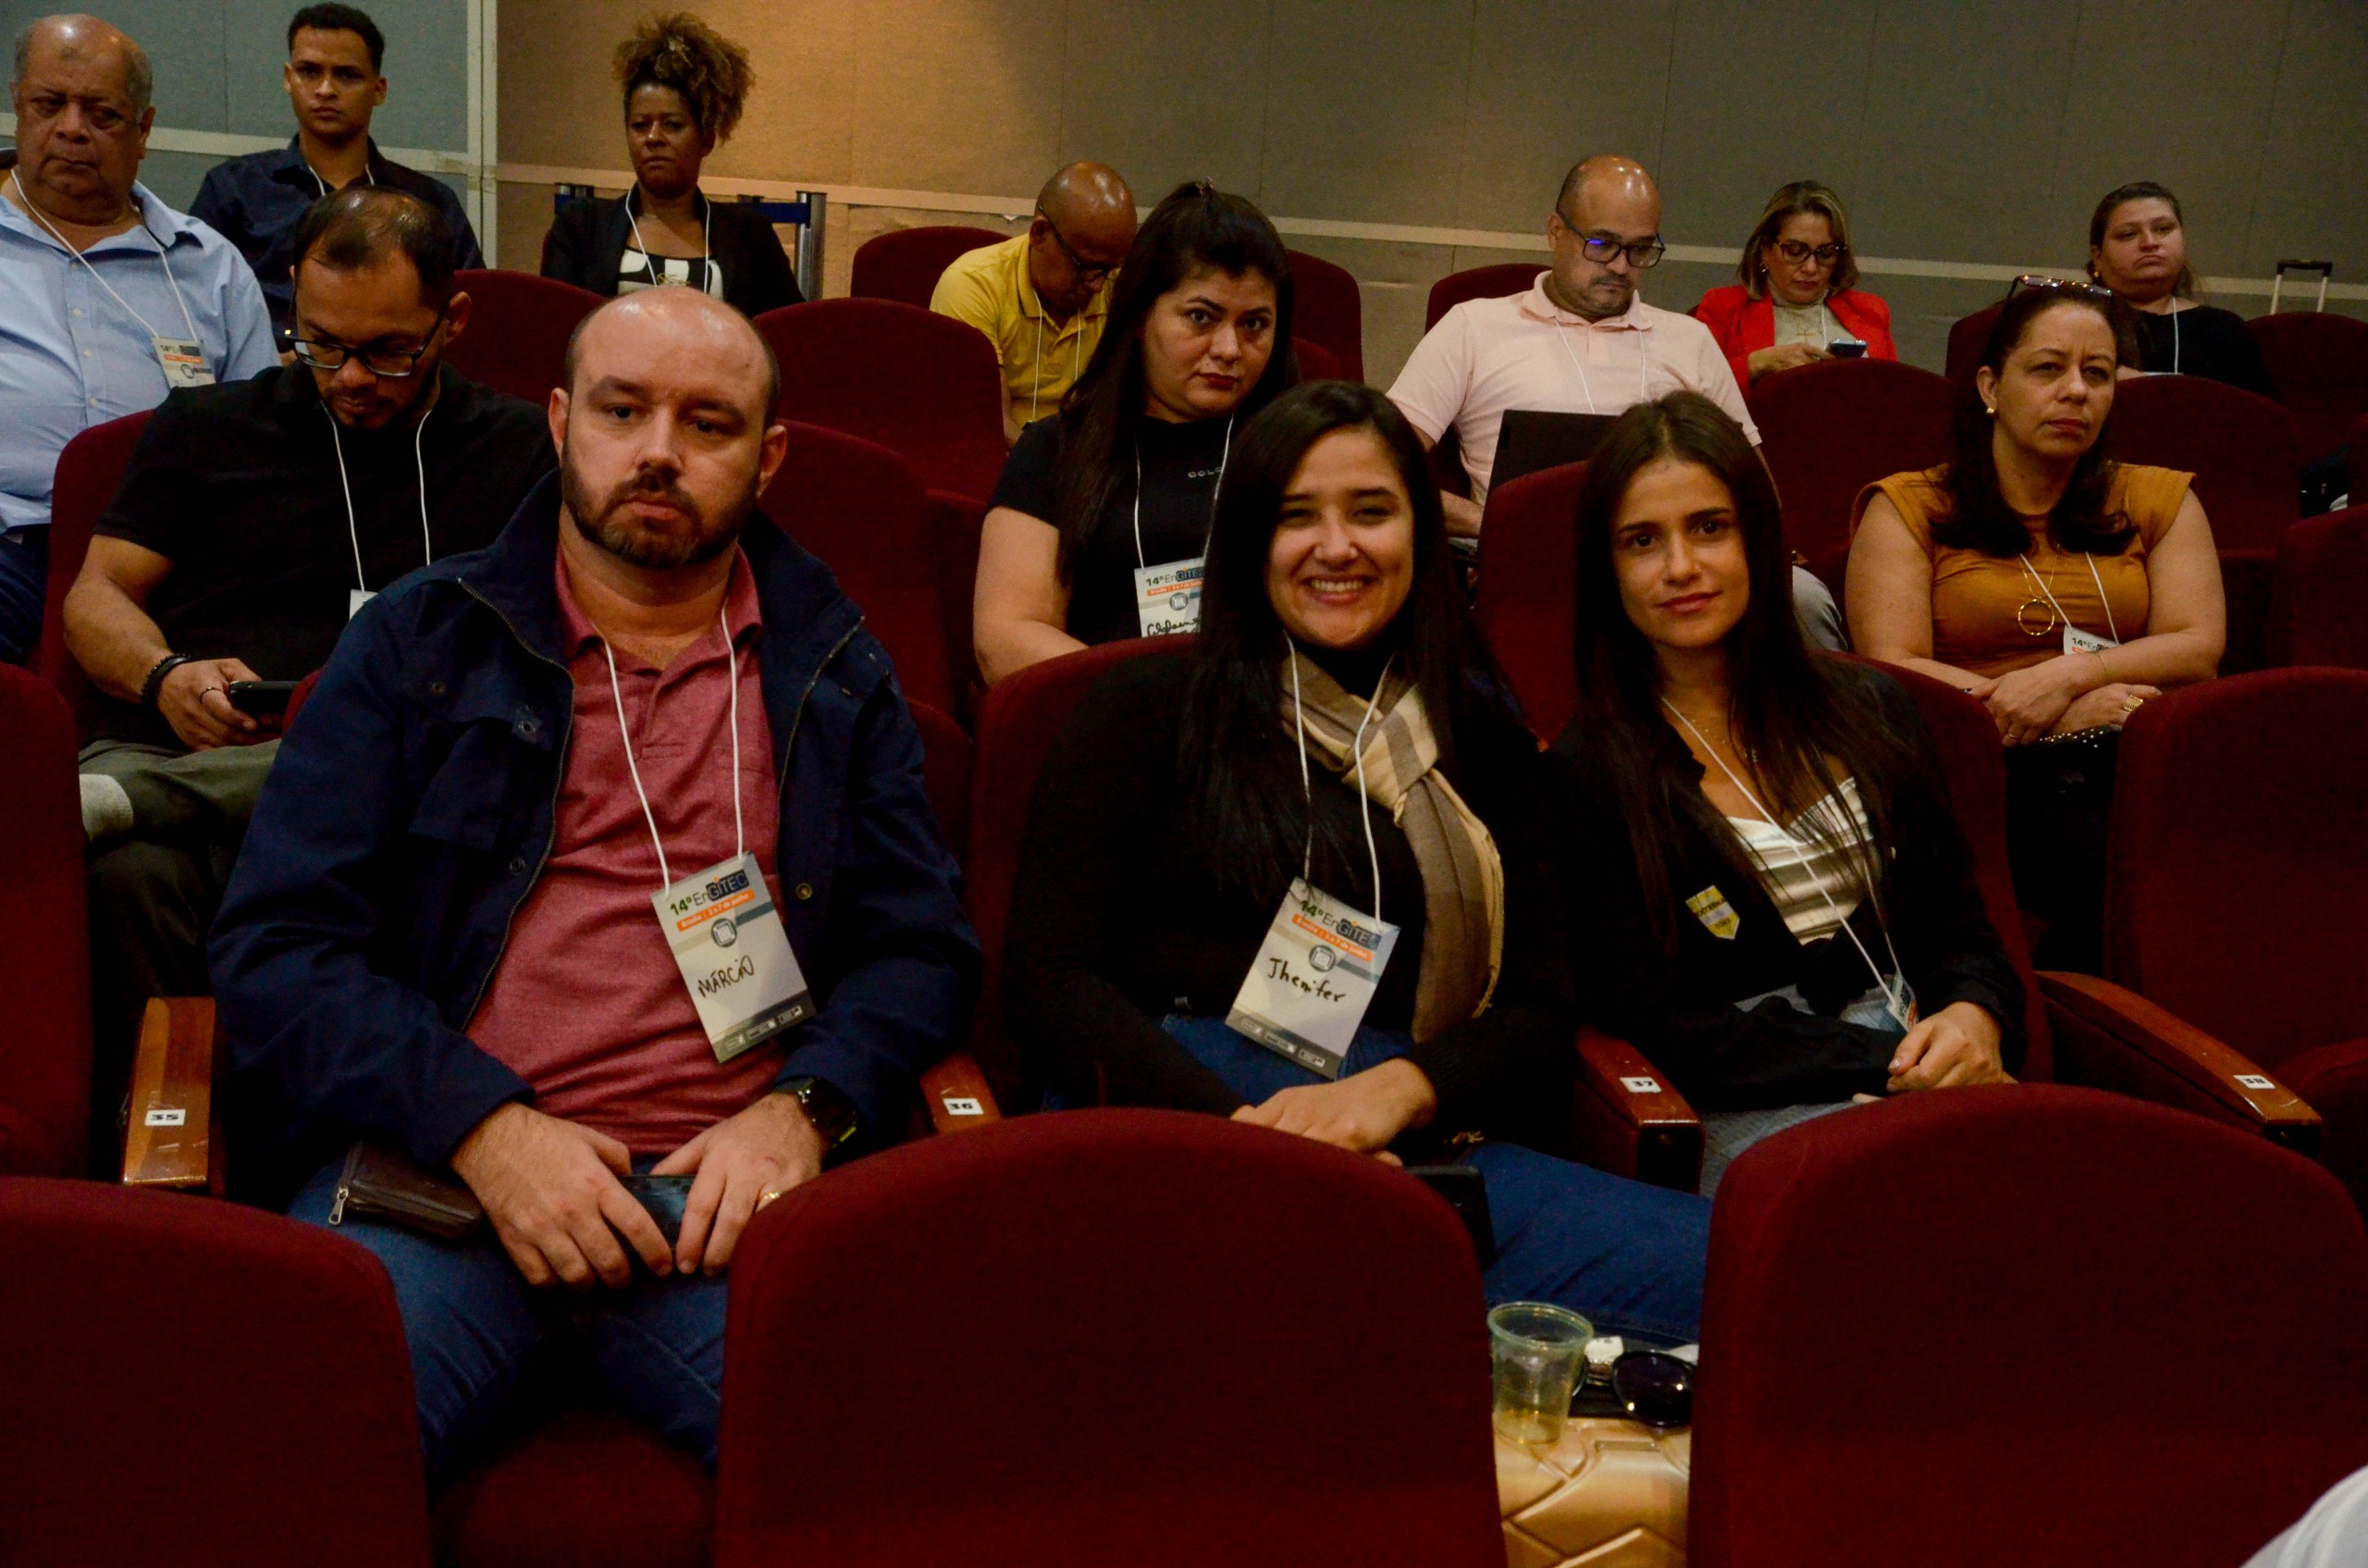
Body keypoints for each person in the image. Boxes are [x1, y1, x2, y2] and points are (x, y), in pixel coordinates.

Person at [209, 284, 978, 1483]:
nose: (661, 452)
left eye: (709, 424)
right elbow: (277, 948)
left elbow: (922, 950)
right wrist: (487, 1125)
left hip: (723, 1199)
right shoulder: (421, 641)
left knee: (909, 1470)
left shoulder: (833, 668)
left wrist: (805, 1107)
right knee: (282, 1461)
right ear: (561, 423)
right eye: (624, 411)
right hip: (442, 1185)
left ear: (768, 458)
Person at [1003, 380, 1711, 1341]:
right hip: (1175, 1113)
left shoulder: (1482, 738)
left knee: (1743, 1269)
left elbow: (1543, 1007)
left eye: (1370, 512)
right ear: (1251, 539)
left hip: (1413, 1129)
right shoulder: (1144, 705)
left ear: (1419, 533)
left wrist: (1391, 1097)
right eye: (1297, 517)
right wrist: (1259, 1138)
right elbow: (1051, 981)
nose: (1336, 548)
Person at [63, 186, 551, 1162]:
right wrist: (165, 678)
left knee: (369, 759)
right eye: (320, 342)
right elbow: (92, 600)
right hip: (220, 749)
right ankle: (187, 1149)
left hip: (417, 784)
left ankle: (145, 795)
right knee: (132, 876)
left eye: (387, 351)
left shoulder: (521, 450)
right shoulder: (208, 429)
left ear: (451, 321)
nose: (351, 378)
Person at [1549, 392, 2021, 1197]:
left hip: (1925, 1047)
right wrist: (1883, 1061)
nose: (1681, 568)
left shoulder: (1871, 708)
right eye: (1642, 541)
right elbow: (1665, 1024)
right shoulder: (1587, 771)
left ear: (1758, 540)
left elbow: (1959, 923)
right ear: (1609, 570)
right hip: (1752, 1098)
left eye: (1709, 527)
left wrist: (1972, 1013)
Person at [1845, 282, 2224, 970]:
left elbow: (2198, 647)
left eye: (2098, 374)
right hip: (1982, 764)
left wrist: (2075, 675)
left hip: (2132, 752)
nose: (2076, 391)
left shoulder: (2158, 496)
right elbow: (1890, 667)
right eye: (2048, 369)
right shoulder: (1911, 505)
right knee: (2113, 866)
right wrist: (2060, 713)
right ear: (1991, 385)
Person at [1388, 155, 1843, 649]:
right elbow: (1382, 470)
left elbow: (1756, 486)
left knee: (1805, 598)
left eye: (1641, 249)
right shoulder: (1473, 328)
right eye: (1603, 245)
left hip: (1677, 565)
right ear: (1556, 231)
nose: (1622, 268)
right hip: (1539, 564)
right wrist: (1498, 526)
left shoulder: (1688, 340)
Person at [0, 13, 277, 662]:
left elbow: (264, 448)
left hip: (170, 570)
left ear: (144, 130)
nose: (71, 128)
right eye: (49, 104)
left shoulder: (206, 266)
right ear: (18, 106)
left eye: (102, 114)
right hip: (10, 553)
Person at [973, 179, 1296, 685]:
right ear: (1142, 316)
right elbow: (1007, 638)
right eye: (1201, 317)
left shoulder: (1303, 452)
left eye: (1255, 324)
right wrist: (1156, 704)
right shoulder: (1056, 451)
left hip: (1277, 720)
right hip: (1108, 726)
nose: (1230, 349)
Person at [191, 4, 485, 351]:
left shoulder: (430, 202)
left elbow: (475, 319)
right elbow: (193, 309)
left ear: (379, 89)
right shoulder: (233, 190)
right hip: (265, 389)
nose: (326, 89)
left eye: (347, 75)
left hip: (398, 383)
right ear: (288, 78)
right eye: (309, 71)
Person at [540, 12, 802, 319]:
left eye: (673, 125)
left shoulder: (749, 235)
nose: (653, 137)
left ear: (706, 140)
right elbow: (552, 332)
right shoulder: (580, 227)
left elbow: (790, 338)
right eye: (640, 125)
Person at [931, 162, 1138, 445]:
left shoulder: (1117, 287)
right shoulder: (972, 285)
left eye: (1108, 269)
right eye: (1085, 266)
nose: (1097, 285)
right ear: (1040, 234)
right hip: (1002, 459)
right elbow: (988, 421)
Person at [1691, 180, 1897, 391]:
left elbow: (1897, 394)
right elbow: (1693, 390)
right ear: (1765, 250)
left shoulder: (1871, 310)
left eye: (1826, 253)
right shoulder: (1723, 307)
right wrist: (1755, 365)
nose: (1810, 267)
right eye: (1795, 250)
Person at [2086, 181, 2274, 398]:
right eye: (2128, 234)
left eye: (2163, 229)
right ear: (2098, 256)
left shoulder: (2224, 330)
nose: (2149, 243)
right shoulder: (2070, 321)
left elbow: (2264, 422)